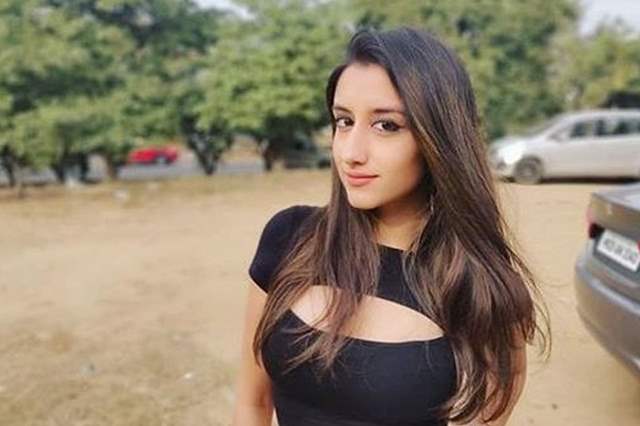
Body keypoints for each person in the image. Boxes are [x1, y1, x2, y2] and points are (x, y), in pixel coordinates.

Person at [232, 27, 550, 426]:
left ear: (439, 139)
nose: (351, 153)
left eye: (386, 126)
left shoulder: (475, 286)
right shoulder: (289, 237)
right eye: (344, 121)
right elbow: (253, 403)